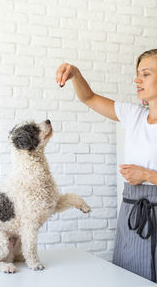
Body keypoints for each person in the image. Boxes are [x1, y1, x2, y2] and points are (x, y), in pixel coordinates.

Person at [55, 49, 157, 282]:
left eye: (146, 73)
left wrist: (149, 175)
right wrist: (76, 75)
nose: (137, 79)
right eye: (137, 73)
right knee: (127, 275)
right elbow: (88, 98)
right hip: (131, 212)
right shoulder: (134, 116)